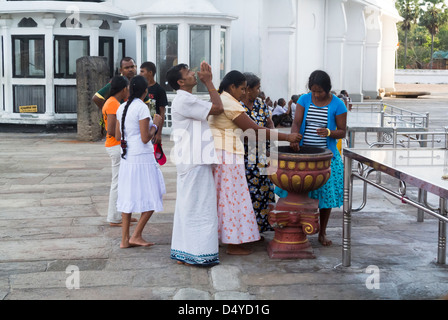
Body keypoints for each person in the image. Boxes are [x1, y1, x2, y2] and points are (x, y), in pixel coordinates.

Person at [208, 70, 301, 255]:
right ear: (232, 87)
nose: (244, 93)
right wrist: (287, 136)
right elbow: (255, 130)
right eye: (242, 88)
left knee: (228, 199)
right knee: (231, 200)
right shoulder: (228, 102)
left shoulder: (227, 100)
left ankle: (230, 239)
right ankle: (233, 245)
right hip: (228, 155)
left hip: (228, 154)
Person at [167, 62, 223, 266]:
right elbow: (217, 108)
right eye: (189, 73)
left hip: (191, 159)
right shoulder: (185, 99)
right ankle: (198, 254)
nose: (193, 75)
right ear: (181, 82)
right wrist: (209, 82)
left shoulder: (186, 99)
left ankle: (184, 252)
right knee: (201, 207)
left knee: (189, 206)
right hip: (195, 160)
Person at [290, 70, 347, 246]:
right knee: (301, 193)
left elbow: (343, 131)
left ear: (328, 89)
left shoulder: (338, 104)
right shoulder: (304, 100)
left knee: (325, 196)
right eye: (313, 91)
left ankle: (322, 232)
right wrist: (293, 137)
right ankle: (300, 230)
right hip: (305, 154)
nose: (316, 94)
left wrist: (329, 132)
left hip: (326, 156)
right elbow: (297, 122)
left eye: (320, 91)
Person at [115, 75, 165, 249]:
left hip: (127, 157)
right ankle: (136, 235)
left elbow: (117, 136)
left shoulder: (122, 108)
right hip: (141, 157)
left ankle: (124, 239)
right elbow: (146, 138)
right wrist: (156, 125)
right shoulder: (141, 108)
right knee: (154, 194)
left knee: (128, 197)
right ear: (145, 91)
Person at [240, 72, 275, 233]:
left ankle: (260, 229)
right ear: (247, 90)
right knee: (246, 193)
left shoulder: (261, 104)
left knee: (265, 190)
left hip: (262, 154)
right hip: (244, 156)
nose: (259, 91)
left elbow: (269, 123)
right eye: (257, 88)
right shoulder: (237, 106)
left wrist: (272, 149)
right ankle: (247, 231)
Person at [102, 76, 129, 227]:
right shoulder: (113, 104)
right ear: (124, 89)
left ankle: (121, 214)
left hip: (115, 145)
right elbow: (111, 130)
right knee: (118, 182)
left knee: (121, 182)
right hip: (115, 145)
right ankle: (114, 217)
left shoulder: (113, 102)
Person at [140, 61, 168, 146]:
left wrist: (159, 133)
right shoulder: (140, 89)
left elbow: (162, 112)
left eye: (142, 71)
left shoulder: (159, 90)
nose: (140, 73)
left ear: (150, 72)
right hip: (141, 125)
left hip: (153, 127)